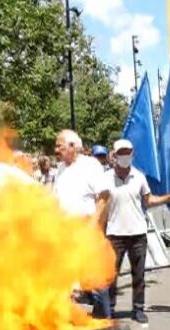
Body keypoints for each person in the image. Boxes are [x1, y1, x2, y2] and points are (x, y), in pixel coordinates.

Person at [105, 139, 170, 323]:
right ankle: (110, 308)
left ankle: (138, 308)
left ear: (132, 154)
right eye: (120, 153)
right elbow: (99, 205)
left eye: (127, 152)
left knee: (138, 274)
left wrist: (169, 197)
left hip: (137, 233)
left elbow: (148, 201)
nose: (124, 157)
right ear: (114, 155)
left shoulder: (138, 177)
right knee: (110, 275)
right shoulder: (105, 178)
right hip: (114, 233)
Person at [52, 129, 111, 318]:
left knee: (95, 281)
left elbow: (103, 196)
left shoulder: (90, 165)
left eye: (59, 145)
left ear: (73, 147)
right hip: (65, 231)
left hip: (85, 228)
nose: (56, 150)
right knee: (68, 284)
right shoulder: (60, 169)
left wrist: (93, 226)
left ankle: (105, 325)